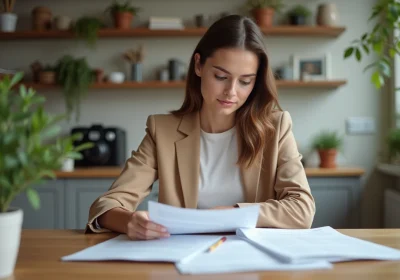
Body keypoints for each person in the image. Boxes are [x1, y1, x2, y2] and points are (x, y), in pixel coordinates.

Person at [86, 15, 315, 240]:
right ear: (198, 65)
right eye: (221, 76)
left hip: (254, 263)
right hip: (182, 261)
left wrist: (236, 214)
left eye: (245, 81)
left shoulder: (275, 128)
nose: (231, 91)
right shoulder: (162, 131)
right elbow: (106, 206)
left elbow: (302, 209)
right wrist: (129, 222)